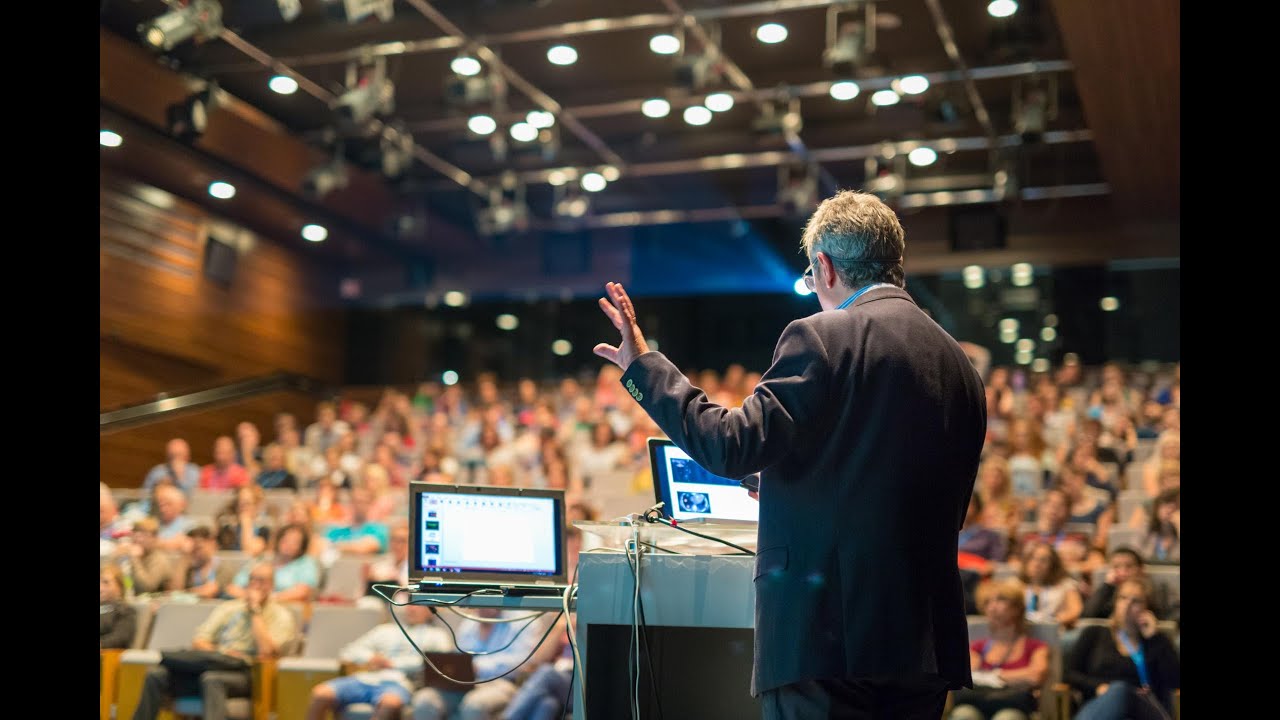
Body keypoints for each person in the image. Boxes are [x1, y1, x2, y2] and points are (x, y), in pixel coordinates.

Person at [592, 190, 987, 718]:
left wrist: (644, 365)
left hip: (827, 638)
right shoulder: (958, 363)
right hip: (923, 644)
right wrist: (780, 482)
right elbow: (903, 490)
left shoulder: (823, 335)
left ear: (824, 267)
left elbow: (729, 445)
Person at [132, 563, 299, 720]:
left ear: (271, 585)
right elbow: (199, 641)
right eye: (251, 579)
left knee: (212, 679)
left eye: (260, 580)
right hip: (217, 662)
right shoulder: (229, 608)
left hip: (249, 674)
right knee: (155, 674)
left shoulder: (281, 615)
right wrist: (222, 652)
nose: (254, 584)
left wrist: (255, 611)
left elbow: (267, 652)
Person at [305, 603, 451, 720]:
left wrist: (393, 664)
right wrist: (370, 658)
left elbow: (440, 663)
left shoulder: (437, 635)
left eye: (418, 605)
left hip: (399, 682)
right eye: (410, 604)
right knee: (321, 694)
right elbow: (349, 651)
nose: (412, 608)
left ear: (430, 609)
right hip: (366, 678)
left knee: (390, 703)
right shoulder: (386, 630)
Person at [1065, 579, 1179, 719]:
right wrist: (1098, 687)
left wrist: (1154, 638)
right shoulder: (1094, 634)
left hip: (1144, 709)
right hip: (1101, 705)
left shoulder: (1156, 640)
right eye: (1123, 598)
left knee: (1121, 689)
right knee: (1117, 691)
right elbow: (1070, 674)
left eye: (1136, 600)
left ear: (1147, 608)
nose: (1127, 604)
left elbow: (1174, 681)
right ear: (1115, 603)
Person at [949, 579, 1049, 720]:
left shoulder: (1035, 646)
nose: (992, 607)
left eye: (1000, 600)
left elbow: (1035, 676)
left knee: (1006, 718)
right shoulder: (977, 646)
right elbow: (969, 676)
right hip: (977, 702)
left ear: (1016, 608)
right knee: (963, 715)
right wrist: (1016, 677)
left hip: (1013, 705)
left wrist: (994, 675)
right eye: (987, 602)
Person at [101, 565, 138, 649]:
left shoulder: (125, 610)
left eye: (106, 583)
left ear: (119, 587)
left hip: (110, 654)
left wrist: (101, 643)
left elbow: (120, 637)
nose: (101, 588)